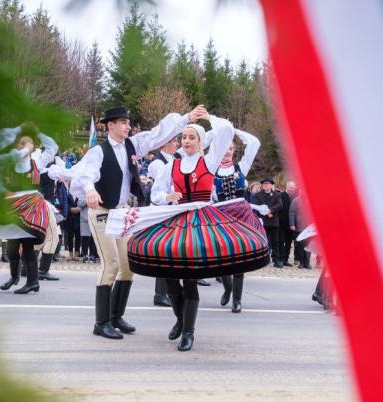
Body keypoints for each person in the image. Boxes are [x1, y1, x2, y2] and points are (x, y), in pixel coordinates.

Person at [105, 114, 269, 351]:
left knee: (190, 279)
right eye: (184, 137)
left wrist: (208, 117)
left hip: (201, 221)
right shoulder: (172, 164)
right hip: (178, 219)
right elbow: (156, 193)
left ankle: (188, 331)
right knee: (170, 276)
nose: (186, 141)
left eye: (191, 137)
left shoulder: (209, 161)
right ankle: (180, 319)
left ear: (200, 142)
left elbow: (225, 130)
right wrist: (167, 197)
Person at [70, 105, 206, 340]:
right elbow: (84, 173)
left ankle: (115, 316)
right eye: (122, 122)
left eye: (128, 122)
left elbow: (158, 134)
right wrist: (90, 190)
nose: (127, 126)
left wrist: (186, 118)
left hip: (122, 213)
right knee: (110, 265)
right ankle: (101, 322)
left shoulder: (133, 145)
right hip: (102, 211)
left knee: (128, 267)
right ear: (110, 125)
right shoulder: (99, 151)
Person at [0, 124, 59, 295]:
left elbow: (53, 147)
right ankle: (14, 276)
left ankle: (33, 281)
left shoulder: (38, 162)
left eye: (26, 144)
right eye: (20, 145)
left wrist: (38, 133)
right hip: (14, 206)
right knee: (12, 246)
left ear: (32, 147)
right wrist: (3, 191)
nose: (23, 148)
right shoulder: (10, 164)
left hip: (31, 207)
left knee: (27, 245)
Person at [214, 127, 261, 313]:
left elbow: (254, 143)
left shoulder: (241, 168)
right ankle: (228, 288)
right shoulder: (211, 170)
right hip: (220, 217)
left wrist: (234, 130)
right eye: (224, 147)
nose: (227, 151)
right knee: (222, 260)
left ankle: (237, 299)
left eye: (230, 148)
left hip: (240, 218)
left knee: (239, 260)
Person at [145, 136, 181, 308]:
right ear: (166, 143)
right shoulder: (157, 163)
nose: (177, 144)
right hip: (161, 211)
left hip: (173, 210)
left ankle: (170, 290)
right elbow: (167, 185)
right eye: (174, 141)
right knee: (163, 252)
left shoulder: (176, 159)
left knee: (173, 253)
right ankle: (160, 294)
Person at [254, 177, 284, 268]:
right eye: (264, 184)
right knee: (263, 241)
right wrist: (266, 213)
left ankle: (276, 260)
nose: (265, 185)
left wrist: (270, 210)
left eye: (267, 184)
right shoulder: (258, 194)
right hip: (263, 220)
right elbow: (257, 206)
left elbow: (280, 205)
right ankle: (262, 259)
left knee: (275, 241)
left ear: (271, 185)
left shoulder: (277, 194)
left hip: (274, 221)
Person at [289, 188, 311, 269]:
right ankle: (301, 263)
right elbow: (292, 213)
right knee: (301, 246)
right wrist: (292, 224)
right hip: (300, 226)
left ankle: (307, 263)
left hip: (309, 227)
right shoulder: (295, 201)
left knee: (309, 246)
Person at [278, 181, 298, 267]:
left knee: (289, 243)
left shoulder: (295, 197)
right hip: (282, 224)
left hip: (291, 224)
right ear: (287, 187)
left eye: (293, 188)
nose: (292, 189)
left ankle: (286, 259)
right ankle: (280, 259)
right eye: (291, 187)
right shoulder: (281, 196)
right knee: (281, 242)